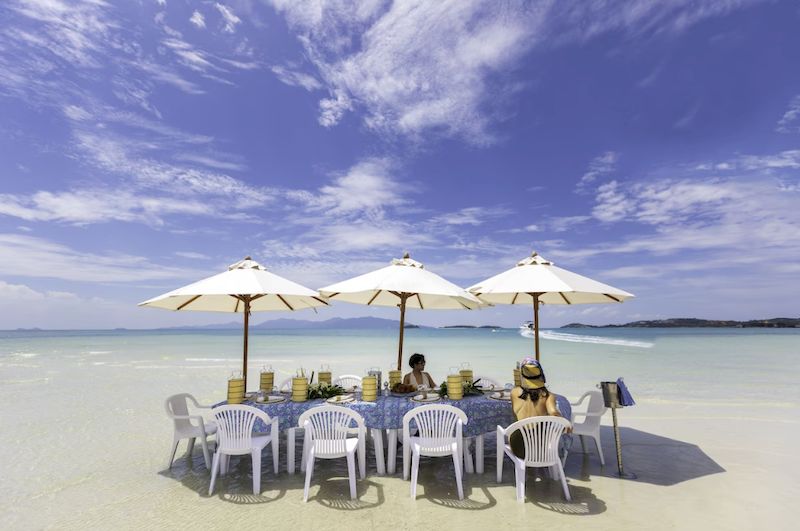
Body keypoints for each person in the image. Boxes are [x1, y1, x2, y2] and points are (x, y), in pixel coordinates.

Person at [509, 357, 568, 458]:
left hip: (518, 447)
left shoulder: (514, 393)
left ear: (522, 376)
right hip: (539, 448)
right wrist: (566, 425)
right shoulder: (548, 396)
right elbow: (554, 413)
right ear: (541, 375)